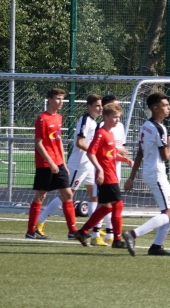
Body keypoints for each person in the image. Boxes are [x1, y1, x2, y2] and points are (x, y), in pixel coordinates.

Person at [36, 94, 103, 243]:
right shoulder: (85, 120)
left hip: (88, 164)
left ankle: (94, 228)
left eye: (101, 105)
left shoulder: (94, 122)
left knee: (94, 195)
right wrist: (94, 152)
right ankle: (40, 222)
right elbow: (79, 142)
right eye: (97, 105)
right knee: (67, 195)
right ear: (89, 106)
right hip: (79, 163)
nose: (101, 108)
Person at [121, 92, 170, 256]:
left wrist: (131, 177)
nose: (169, 107)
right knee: (168, 212)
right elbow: (165, 157)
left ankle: (156, 246)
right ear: (155, 108)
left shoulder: (145, 126)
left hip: (150, 172)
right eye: (165, 105)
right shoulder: (159, 128)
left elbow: (140, 152)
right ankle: (133, 234)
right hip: (156, 173)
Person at [74, 103, 133, 247]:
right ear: (106, 117)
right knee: (118, 205)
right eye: (115, 117)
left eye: (119, 117)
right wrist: (99, 169)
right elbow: (91, 152)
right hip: (106, 176)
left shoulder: (110, 134)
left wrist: (124, 159)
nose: (117, 120)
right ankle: (117, 240)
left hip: (111, 174)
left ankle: (83, 232)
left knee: (107, 207)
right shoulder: (100, 133)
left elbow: (110, 155)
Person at [26, 88, 78, 240]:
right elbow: (38, 143)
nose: (61, 102)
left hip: (58, 162)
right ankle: (31, 231)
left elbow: (58, 140)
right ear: (49, 99)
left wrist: (63, 162)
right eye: (58, 99)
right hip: (45, 164)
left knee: (68, 194)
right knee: (41, 196)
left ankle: (73, 231)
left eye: (62, 99)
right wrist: (50, 162)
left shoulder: (59, 117)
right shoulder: (42, 119)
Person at [98, 94, 127, 242]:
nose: (118, 107)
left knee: (108, 205)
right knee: (110, 203)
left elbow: (119, 145)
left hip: (115, 168)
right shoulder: (101, 129)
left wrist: (124, 156)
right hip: (104, 170)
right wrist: (100, 169)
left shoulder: (118, 126)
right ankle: (108, 236)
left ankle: (107, 234)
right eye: (114, 105)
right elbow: (94, 151)